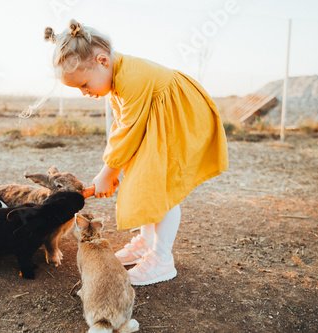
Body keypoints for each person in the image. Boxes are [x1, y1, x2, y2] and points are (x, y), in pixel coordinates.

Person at [44, 20, 228, 286]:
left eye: (84, 84)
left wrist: (108, 173)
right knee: (143, 180)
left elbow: (128, 130)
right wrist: (112, 169)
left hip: (176, 117)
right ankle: (146, 242)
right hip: (157, 119)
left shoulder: (131, 79)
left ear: (102, 61)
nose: (84, 93)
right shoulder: (115, 80)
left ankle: (162, 259)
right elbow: (120, 129)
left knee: (160, 187)